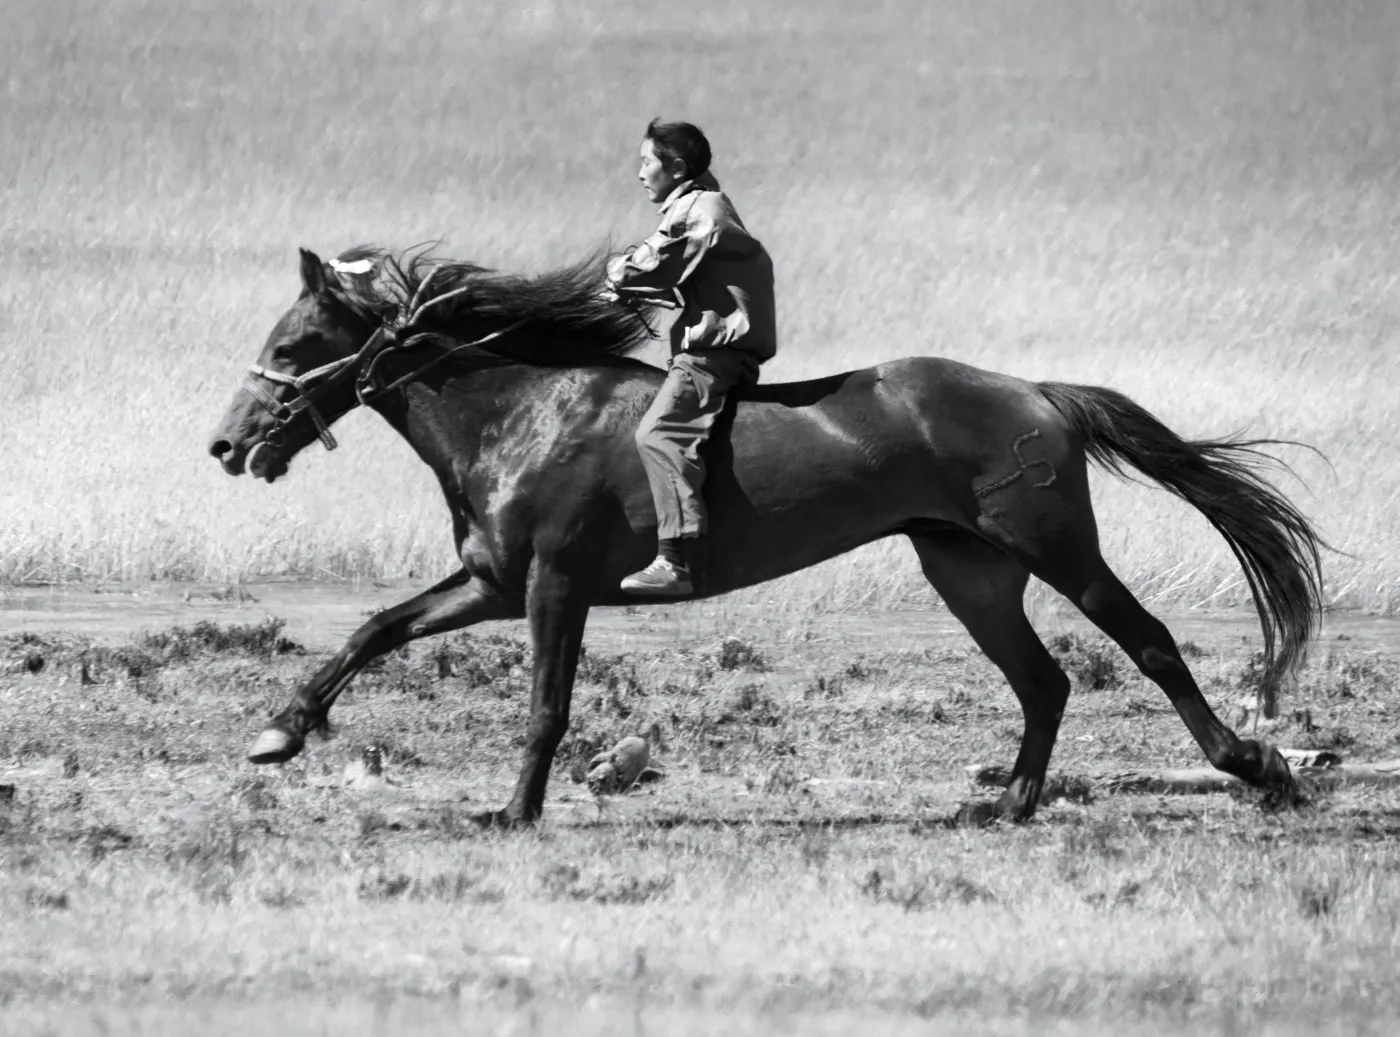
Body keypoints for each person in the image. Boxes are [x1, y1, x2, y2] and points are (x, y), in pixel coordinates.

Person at [603, 119, 777, 596]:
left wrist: (614, 277)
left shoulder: (701, 212)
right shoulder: (698, 204)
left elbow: (656, 263)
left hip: (711, 356)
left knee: (658, 434)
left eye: (647, 162)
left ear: (676, 167)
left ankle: (672, 561)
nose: (640, 172)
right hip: (718, 350)